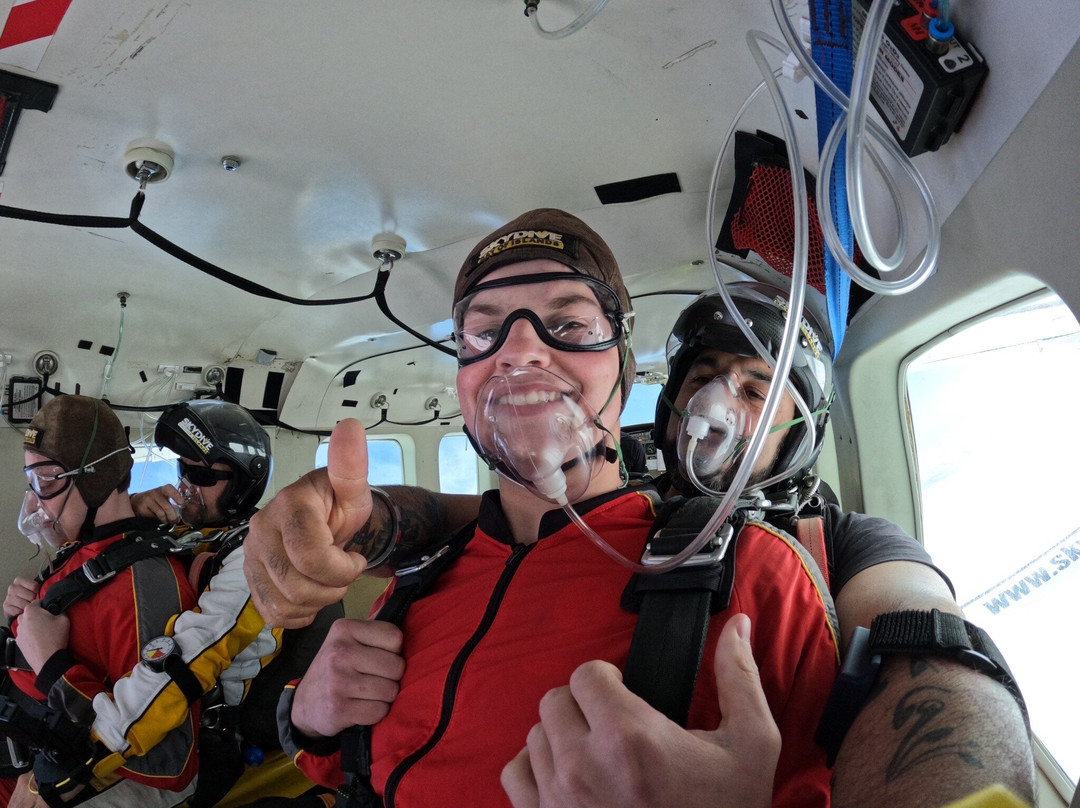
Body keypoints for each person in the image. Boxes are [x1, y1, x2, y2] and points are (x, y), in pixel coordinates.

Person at [244, 213, 1036, 805]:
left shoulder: (762, 570)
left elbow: (921, 680)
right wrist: (309, 720)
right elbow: (353, 762)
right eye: (481, 333)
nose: (517, 351)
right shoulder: (419, 576)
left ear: (620, 375)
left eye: (565, 325)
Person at [92, 399, 332, 807]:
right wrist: (131, 515)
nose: (186, 484)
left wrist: (95, 746)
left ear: (241, 483)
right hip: (153, 708)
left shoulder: (257, 556)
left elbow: (192, 656)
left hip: (204, 743)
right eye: (182, 469)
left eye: (202, 474)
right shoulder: (195, 532)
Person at [2, 394, 199, 807]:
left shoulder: (146, 585)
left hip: (47, 773)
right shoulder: (82, 550)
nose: (35, 502)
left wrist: (52, 665)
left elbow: (169, 761)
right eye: (32, 480)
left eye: (49, 480)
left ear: (92, 479)